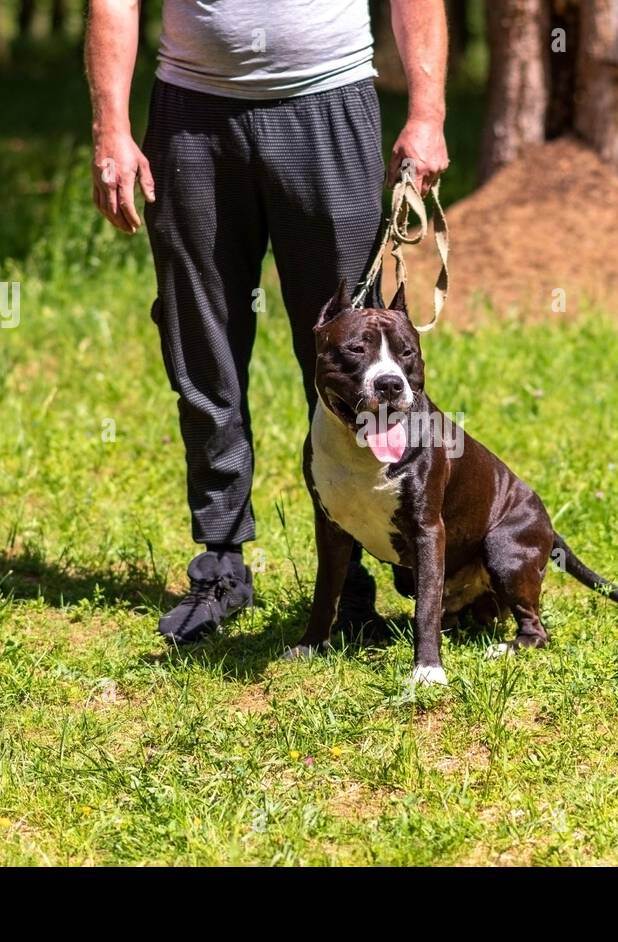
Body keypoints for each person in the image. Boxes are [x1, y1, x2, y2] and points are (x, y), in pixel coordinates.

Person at [85, 0, 449, 644]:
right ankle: (221, 564)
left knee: (355, 358)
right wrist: (110, 127)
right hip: (192, 115)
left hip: (329, 103)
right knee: (200, 344)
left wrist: (427, 114)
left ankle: (354, 581)